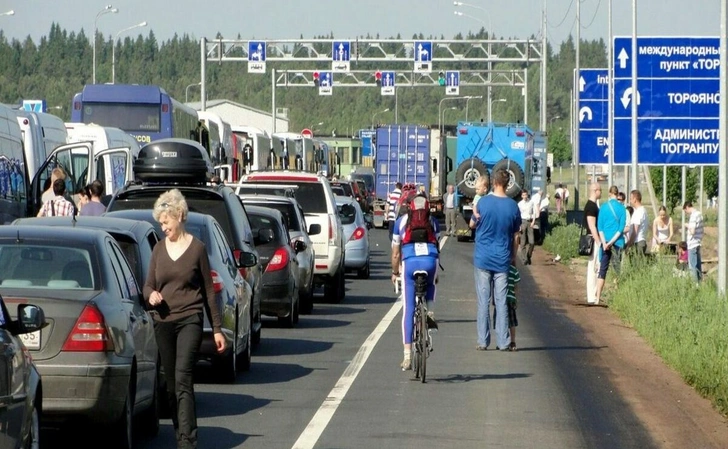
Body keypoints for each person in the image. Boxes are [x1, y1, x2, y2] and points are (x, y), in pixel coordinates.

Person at [143, 189, 226, 449]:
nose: (163, 227)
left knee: (183, 378)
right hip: (164, 322)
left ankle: (187, 442)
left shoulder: (197, 249)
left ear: (179, 215)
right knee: (170, 385)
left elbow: (209, 290)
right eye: (160, 223)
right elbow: (147, 286)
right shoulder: (158, 249)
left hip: (190, 318)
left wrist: (217, 329)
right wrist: (152, 295)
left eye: (165, 222)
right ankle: (181, 431)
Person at [469, 169, 521, 352]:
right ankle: (504, 341)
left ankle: (483, 341)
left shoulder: (483, 202)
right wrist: (513, 256)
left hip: (483, 258)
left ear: (493, 182)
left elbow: (472, 224)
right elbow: (516, 236)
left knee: (483, 300)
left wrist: (475, 216)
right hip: (502, 260)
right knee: (501, 300)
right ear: (507, 184)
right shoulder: (513, 207)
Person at [391, 193, 440, 371]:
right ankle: (431, 310)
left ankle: (407, 357)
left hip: (410, 263)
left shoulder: (401, 222)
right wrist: (435, 270)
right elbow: (437, 245)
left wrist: (395, 272)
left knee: (409, 309)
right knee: (432, 281)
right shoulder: (432, 221)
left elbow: (396, 253)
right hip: (430, 260)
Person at [595, 185, 627, 304]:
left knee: (602, 270)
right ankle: (617, 296)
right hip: (617, 242)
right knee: (616, 269)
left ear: (609, 193)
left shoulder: (603, 208)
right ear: (617, 194)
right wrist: (612, 242)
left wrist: (604, 243)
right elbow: (621, 228)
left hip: (605, 242)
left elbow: (600, 227)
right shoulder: (622, 209)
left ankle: (597, 298)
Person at [584, 183, 602, 305]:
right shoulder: (591, 206)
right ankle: (592, 295)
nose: (601, 192)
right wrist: (598, 241)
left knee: (595, 267)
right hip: (593, 239)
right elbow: (592, 225)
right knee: (593, 267)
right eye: (600, 190)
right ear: (595, 191)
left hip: (594, 238)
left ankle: (594, 294)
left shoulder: (593, 205)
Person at [683, 201, 704, 281]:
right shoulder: (699, 214)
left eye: (685, 211)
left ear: (687, 208)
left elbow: (692, 231)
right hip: (698, 242)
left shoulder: (693, 216)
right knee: (698, 265)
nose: (687, 213)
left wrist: (687, 225)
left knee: (692, 266)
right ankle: (699, 282)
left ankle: (695, 285)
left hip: (692, 244)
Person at [628, 190, 648, 256]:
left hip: (637, 242)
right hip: (639, 241)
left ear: (635, 199)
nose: (630, 201)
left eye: (631, 199)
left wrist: (629, 244)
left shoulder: (639, 212)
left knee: (636, 264)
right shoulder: (642, 210)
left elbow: (635, 231)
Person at [517, 189, 535, 265]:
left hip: (529, 222)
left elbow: (534, 213)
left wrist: (533, 221)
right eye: (523, 195)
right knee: (523, 242)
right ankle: (524, 259)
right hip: (522, 222)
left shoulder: (531, 202)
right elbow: (518, 215)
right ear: (521, 196)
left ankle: (528, 255)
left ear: (527, 195)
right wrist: (519, 225)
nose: (524, 196)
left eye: (526, 195)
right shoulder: (520, 204)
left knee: (532, 242)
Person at [505, 262, 520, 351]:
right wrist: (516, 299)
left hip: (502, 300)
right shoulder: (514, 270)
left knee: (502, 321)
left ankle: (503, 341)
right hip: (511, 299)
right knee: (512, 323)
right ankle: (512, 341)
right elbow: (516, 286)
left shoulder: (499, 269)